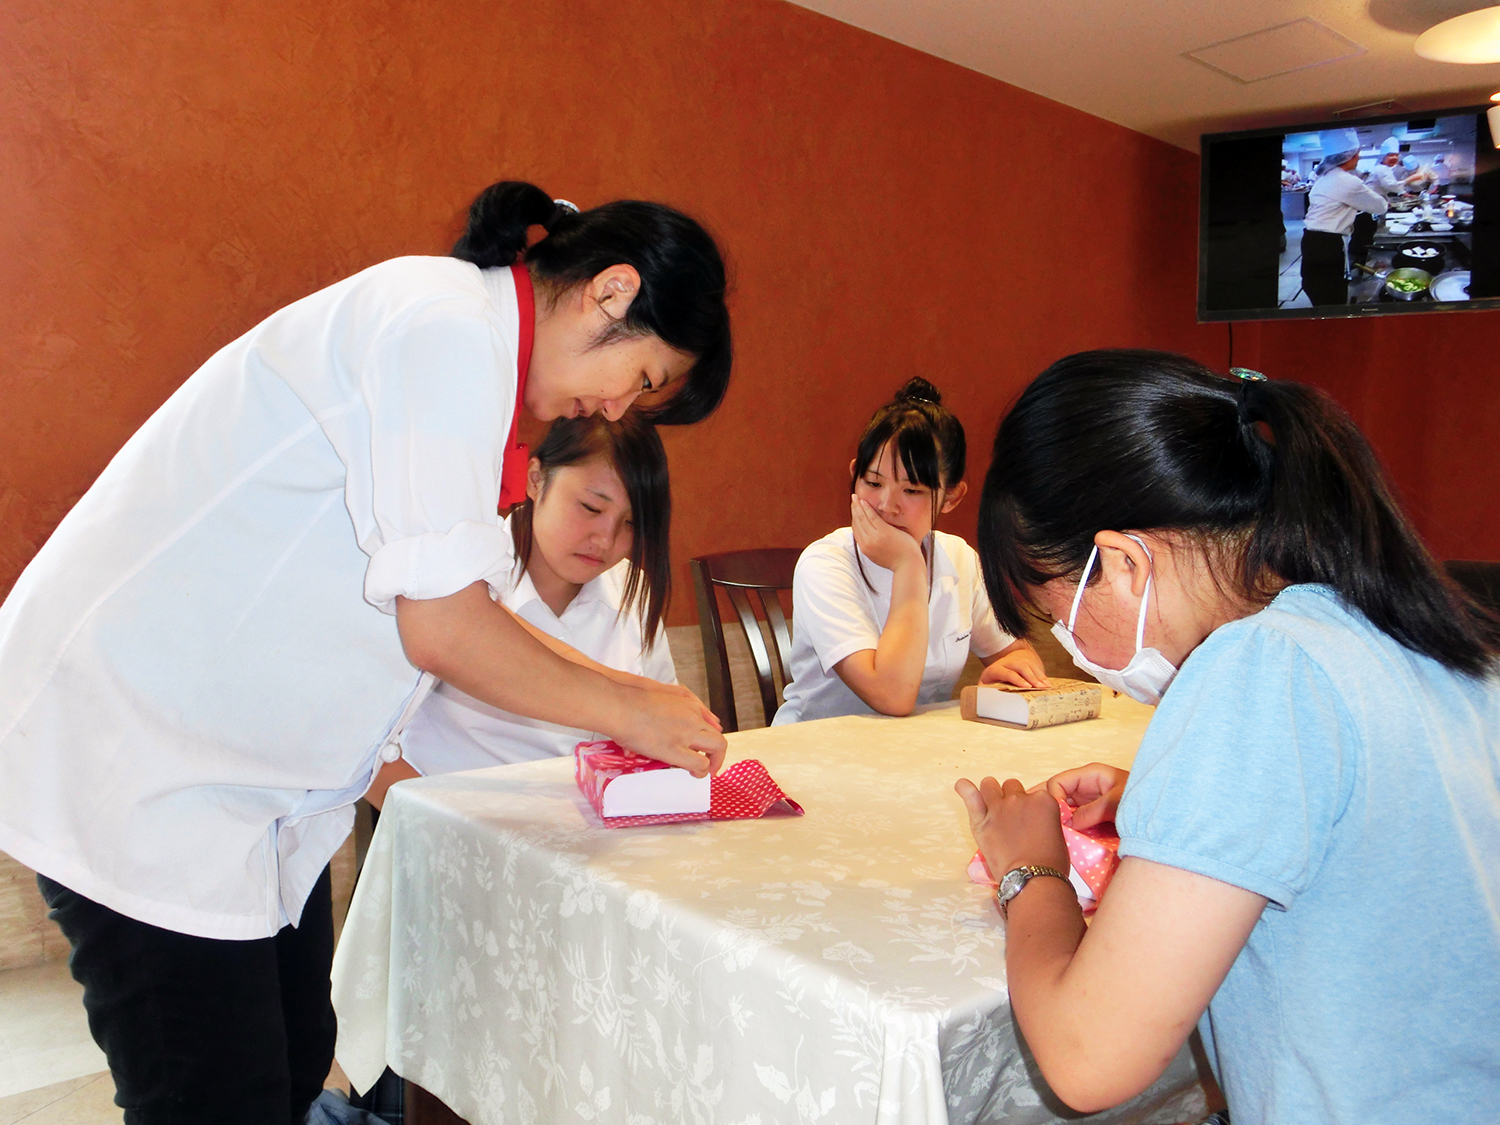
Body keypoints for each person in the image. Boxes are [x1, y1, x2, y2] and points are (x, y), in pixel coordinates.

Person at [0, 179, 732, 1124]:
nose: (618, 403)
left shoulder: (467, 349)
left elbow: (441, 609)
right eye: (640, 377)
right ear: (611, 291)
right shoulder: (445, 330)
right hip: (139, 759)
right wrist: (634, 706)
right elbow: (447, 625)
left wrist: (634, 692)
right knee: (215, 1095)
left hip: (248, 780)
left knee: (299, 1056)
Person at [956, 350, 1500, 1124]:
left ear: (1121, 563)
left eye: (1057, 615)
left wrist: (1030, 870)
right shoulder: (1418, 632)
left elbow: (1086, 1055)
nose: (1069, 646)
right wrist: (1162, 795)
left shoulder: (1257, 665)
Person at [398, 411, 677, 775]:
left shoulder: (630, 590)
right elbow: (365, 743)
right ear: (535, 479)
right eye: (591, 507)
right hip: (463, 817)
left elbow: (663, 721)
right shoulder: (457, 579)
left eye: (631, 523)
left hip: (597, 821)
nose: (605, 540)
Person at [774, 377, 1046, 725]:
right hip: (819, 755)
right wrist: (908, 565)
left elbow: (1020, 656)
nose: (887, 505)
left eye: (913, 490)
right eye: (873, 483)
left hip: (919, 752)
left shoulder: (960, 559)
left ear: (951, 497)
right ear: (854, 474)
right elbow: (891, 696)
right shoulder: (824, 563)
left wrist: (1012, 673)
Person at [1301, 129, 1388, 304]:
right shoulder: (1347, 181)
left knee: (1314, 285)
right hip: (1329, 244)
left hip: (1310, 240)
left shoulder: (1324, 178)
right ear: (1347, 156)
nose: (1359, 157)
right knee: (1333, 293)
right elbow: (1380, 206)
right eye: (1357, 153)